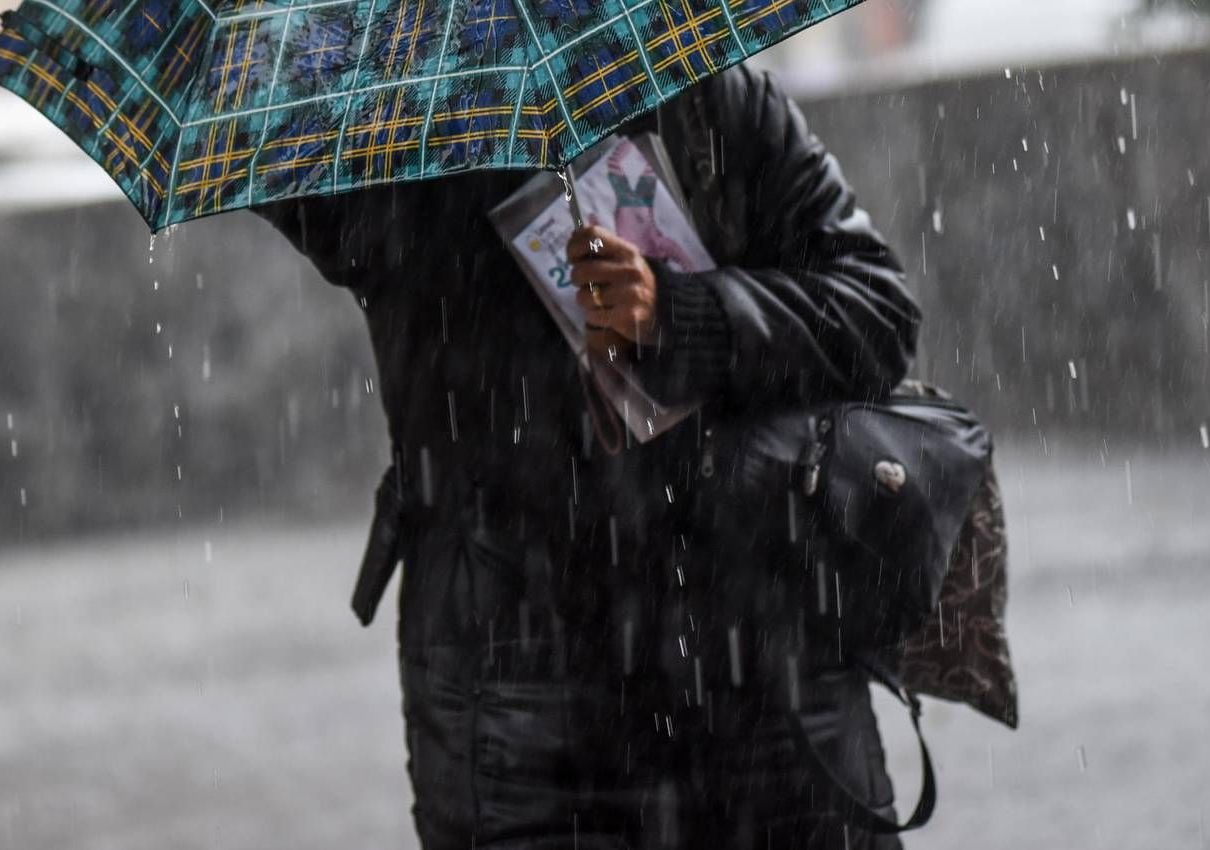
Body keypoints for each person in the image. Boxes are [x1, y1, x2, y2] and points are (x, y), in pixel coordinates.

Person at [255, 64, 921, 849]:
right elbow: (291, 171)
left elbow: (876, 313)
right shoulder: (383, 134)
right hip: (520, 697)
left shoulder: (705, 93)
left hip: (761, 663)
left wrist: (682, 315)